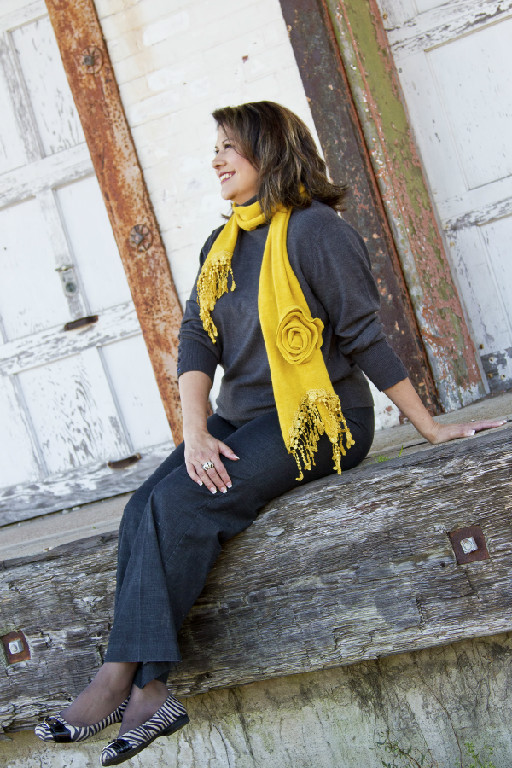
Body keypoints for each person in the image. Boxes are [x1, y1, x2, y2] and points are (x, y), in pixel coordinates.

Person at [34, 101, 504, 765]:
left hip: (321, 416)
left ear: (270, 149)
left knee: (183, 504)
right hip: (244, 416)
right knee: (143, 507)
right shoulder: (222, 244)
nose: (217, 160)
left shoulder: (317, 231)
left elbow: (363, 335)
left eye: (230, 147)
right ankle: (149, 690)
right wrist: (196, 432)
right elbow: (197, 338)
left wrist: (430, 427)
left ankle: (123, 680)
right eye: (216, 148)